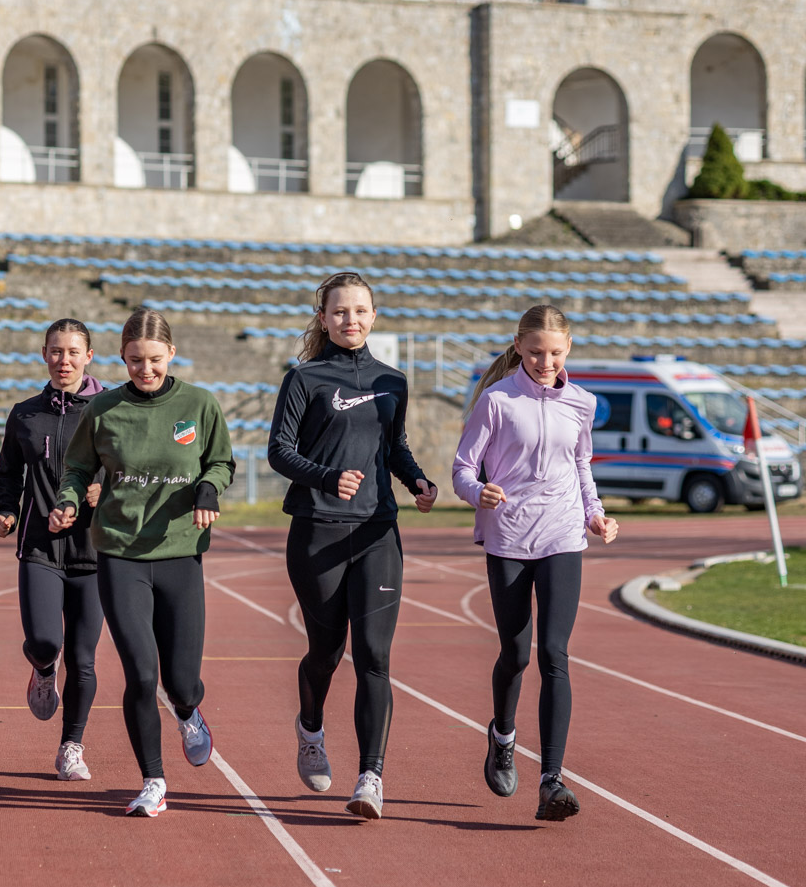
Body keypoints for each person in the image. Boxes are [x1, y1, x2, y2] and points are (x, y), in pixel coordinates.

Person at [48, 307, 234, 817]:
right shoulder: (104, 409)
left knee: (181, 683)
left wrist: (208, 488)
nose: (145, 369)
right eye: (134, 361)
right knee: (142, 675)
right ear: (121, 358)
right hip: (120, 554)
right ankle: (153, 780)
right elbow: (77, 467)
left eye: (154, 359)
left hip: (180, 554)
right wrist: (68, 501)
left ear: (171, 353)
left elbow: (220, 461)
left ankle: (188, 711)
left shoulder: (199, 404)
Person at [267, 272, 439, 821]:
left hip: (376, 533)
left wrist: (417, 481)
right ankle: (310, 728)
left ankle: (371, 777)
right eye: (340, 312)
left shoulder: (393, 381)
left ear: (374, 315)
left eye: (361, 311)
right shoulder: (304, 378)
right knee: (326, 652)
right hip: (317, 531)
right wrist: (326, 477)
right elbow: (278, 451)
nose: (351, 320)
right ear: (324, 318)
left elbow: (395, 447)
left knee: (374, 656)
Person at [451, 305, 619, 822]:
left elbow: (581, 464)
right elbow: (462, 469)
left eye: (556, 353)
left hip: (563, 535)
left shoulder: (582, 402)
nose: (546, 363)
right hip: (508, 538)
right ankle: (502, 736)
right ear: (519, 347)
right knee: (516, 653)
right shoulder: (497, 401)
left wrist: (595, 513)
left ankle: (552, 779)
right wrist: (478, 492)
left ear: (569, 350)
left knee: (554, 653)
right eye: (537, 353)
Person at [0, 319, 106, 781]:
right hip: (39, 547)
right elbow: (8, 472)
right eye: (56, 351)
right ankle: (43, 668)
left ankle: (71, 747)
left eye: (73, 352)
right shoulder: (25, 414)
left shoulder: (111, 409)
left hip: (94, 552)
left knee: (84, 658)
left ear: (89, 357)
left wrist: (104, 488)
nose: (64, 361)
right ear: (44, 354)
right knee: (44, 641)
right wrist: (5, 510)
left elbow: (129, 467)